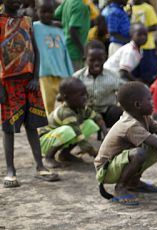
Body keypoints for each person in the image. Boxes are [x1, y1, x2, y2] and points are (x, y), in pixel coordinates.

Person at [1, 0, 59, 188]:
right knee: (8, 128)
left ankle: (40, 165)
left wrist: (35, 77)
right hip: (8, 82)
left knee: (32, 125)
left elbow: (36, 51)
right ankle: (11, 170)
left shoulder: (27, 20)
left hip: (29, 82)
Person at [39, 78, 107, 168]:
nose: (85, 97)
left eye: (85, 93)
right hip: (45, 141)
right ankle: (48, 158)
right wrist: (94, 153)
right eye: (81, 95)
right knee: (69, 130)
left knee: (90, 124)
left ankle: (65, 154)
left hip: (58, 137)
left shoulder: (80, 107)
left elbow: (96, 117)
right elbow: (79, 137)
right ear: (66, 97)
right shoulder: (66, 113)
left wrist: (106, 133)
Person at [33, 0, 75, 115]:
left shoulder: (58, 29)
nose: (47, 15)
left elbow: (64, 52)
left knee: (66, 103)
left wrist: (69, 72)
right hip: (45, 72)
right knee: (47, 104)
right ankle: (46, 129)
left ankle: (64, 125)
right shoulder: (34, 27)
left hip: (61, 72)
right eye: (43, 12)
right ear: (37, 12)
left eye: (50, 12)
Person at [74, 42, 124, 128]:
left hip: (107, 112)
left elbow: (124, 91)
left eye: (100, 59)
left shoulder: (113, 76)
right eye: (92, 60)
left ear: (105, 58)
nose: (96, 63)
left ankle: (110, 135)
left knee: (116, 111)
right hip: (86, 112)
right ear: (85, 59)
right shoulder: (77, 77)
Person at [53, 0, 90, 70]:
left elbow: (56, 14)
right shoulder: (79, 5)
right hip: (75, 51)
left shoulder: (68, 1)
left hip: (65, 47)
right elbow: (73, 29)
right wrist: (83, 51)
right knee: (74, 78)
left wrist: (64, 24)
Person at [131, 0, 157, 85]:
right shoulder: (128, 7)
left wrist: (141, 31)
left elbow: (155, 26)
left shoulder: (148, 8)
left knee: (147, 74)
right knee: (134, 73)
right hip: (133, 47)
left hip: (147, 46)